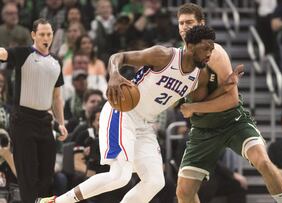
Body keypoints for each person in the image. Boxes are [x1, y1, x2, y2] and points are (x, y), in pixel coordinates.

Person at [37, 24, 224, 203]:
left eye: (212, 49)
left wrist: (227, 86)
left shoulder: (200, 77)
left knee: (155, 181)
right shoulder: (164, 55)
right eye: (206, 48)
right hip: (122, 112)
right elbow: (118, 57)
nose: (209, 53)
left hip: (144, 124)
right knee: (120, 176)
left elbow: (206, 100)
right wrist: (115, 75)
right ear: (190, 45)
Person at [175, 3, 282, 203]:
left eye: (189, 22)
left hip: (232, 122)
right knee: (183, 192)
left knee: (263, 161)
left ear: (201, 24)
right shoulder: (177, 57)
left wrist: (193, 108)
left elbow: (231, 100)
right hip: (203, 129)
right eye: (181, 23)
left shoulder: (215, 53)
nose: (184, 27)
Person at [0, 18, 68, 203]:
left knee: (47, 174)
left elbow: (57, 97)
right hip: (23, 121)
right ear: (33, 35)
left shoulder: (56, 62)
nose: (46, 38)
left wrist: (61, 123)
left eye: (49, 34)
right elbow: (3, 53)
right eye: (42, 34)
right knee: (28, 176)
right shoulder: (24, 54)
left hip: (45, 122)